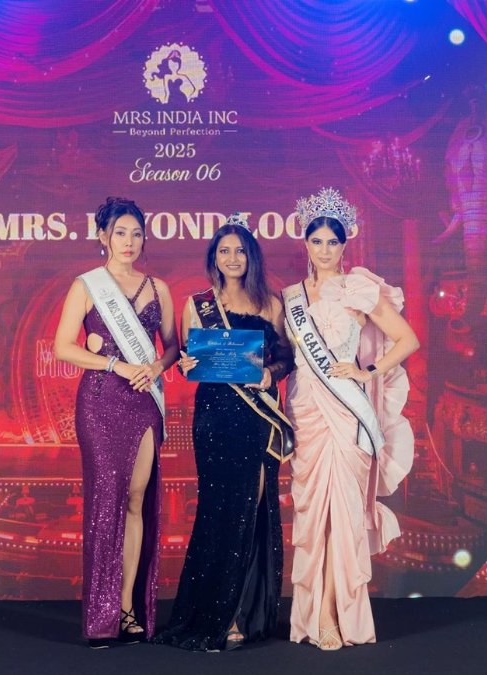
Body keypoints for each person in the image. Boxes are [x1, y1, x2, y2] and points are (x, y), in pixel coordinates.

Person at [282, 188, 420, 650]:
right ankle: (317, 613)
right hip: (305, 411)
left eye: (332, 242)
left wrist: (367, 371)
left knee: (342, 514)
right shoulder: (291, 297)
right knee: (314, 516)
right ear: (305, 243)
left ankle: (333, 613)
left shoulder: (358, 289)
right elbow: (282, 354)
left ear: (345, 244)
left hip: (345, 413)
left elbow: (407, 339)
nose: (324, 250)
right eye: (316, 241)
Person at [152, 214, 295, 652]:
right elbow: (189, 360)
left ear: (251, 257)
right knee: (218, 510)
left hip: (256, 417)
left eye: (240, 251)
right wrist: (186, 364)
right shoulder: (197, 305)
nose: (232, 258)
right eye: (224, 251)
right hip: (214, 417)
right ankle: (214, 613)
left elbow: (286, 357)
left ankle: (244, 613)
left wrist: (270, 375)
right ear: (214, 258)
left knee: (251, 508)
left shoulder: (272, 304)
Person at [53, 196, 179, 648]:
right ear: (103, 236)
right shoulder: (86, 285)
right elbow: (63, 347)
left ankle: (126, 608)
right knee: (106, 501)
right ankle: (100, 616)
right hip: (100, 400)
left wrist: (157, 367)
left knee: (135, 499)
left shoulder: (158, 288)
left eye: (136, 233)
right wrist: (115, 365)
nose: (129, 241)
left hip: (144, 401)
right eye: (120, 232)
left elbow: (172, 347)